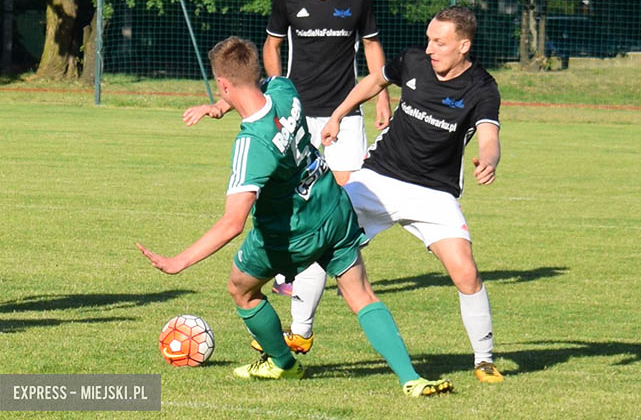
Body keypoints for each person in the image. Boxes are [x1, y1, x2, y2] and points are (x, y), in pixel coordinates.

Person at [137, 36, 451, 397]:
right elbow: (259, 90)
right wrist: (219, 108)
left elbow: (232, 223)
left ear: (223, 84)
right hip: (332, 205)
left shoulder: (252, 145)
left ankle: (283, 364)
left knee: (241, 289)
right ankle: (411, 379)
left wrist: (178, 262)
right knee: (361, 294)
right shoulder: (284, 89)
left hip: (291, 231)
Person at [182, 0, 390, 328]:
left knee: (340, 200)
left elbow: (370, 48)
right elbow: (271, 46)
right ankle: (291, 271)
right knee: (292, 194)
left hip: (345, 113)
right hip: (299, 111)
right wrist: (277, 95)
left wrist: (382, 97)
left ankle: (318, 269)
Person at [304, 5, 503, 383]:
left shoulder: (482, 88)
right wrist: (337, 115)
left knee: (466, 272)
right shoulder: (413, 61)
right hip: (378, 178)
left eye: (439, 43)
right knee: (321, 236)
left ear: (464, 46)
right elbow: (373, 83)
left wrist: (489, 160)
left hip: (434, 193)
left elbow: (490, 136)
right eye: (429, 39)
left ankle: (484, 360)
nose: (429, 49)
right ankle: (299, 335)